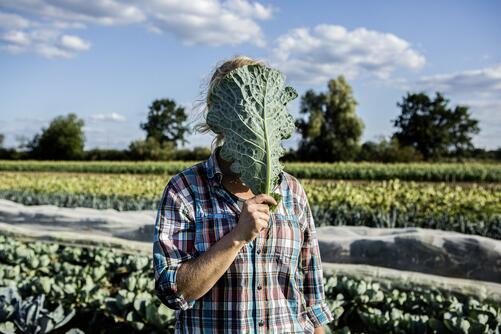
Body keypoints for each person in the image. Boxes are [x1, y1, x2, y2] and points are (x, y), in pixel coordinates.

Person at [153, 55, 333, 333]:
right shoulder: (185, 190)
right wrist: (236, 238)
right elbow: (174, 291)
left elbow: (313, 302)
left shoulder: (292, 191)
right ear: (219, 115)